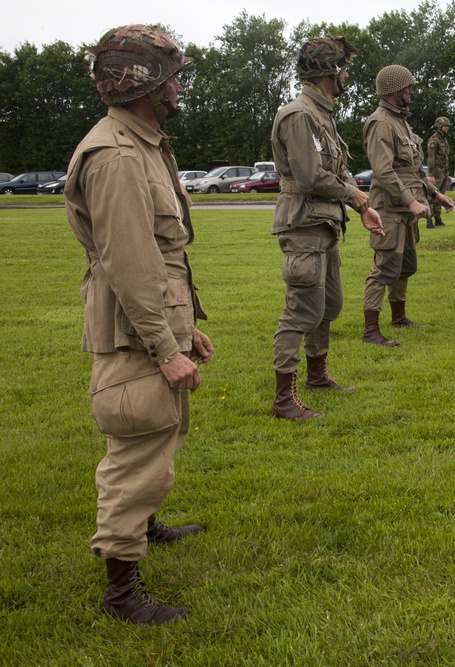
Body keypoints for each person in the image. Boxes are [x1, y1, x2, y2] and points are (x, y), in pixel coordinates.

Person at [65, 25, 213, 626]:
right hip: (134, 332)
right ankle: (121, 592)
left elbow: (161, 257)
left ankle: (146, 526)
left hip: (151, 324)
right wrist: (164, 346)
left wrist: (186, 331)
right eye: (172, 74)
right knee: (134, 448)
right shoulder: (118, 155)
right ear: (144, 83)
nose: (180, 85)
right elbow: (130, 264)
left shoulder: (143, 141)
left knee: (156, 432)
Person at [270, 36, 381, 421]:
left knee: (328, 305)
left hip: (325, 223)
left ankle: (317, 376)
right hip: (303, 223)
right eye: (345, 67)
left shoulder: (323, 114)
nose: (348, 74)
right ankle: (284, 399)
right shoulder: (300, 114)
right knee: (301, 310)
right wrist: (354, 196)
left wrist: (358, 203)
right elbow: (310, 175)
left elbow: (337, 169)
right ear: (331, 71)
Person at [363, 65, 455, 341]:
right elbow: (384, 171)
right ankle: (370, 330)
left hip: (407, 208)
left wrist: (435, 194)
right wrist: (410, 202)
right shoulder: (380, 123)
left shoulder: (401, 122)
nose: (412, 92)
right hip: (390, 209)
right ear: (393, 90)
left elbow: (414, 170)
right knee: (385, 267)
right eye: (408, 88)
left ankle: (399, 318)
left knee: (405, 266)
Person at [426, 116, 451, 228]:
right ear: (439, 127)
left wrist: (447, 174)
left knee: (440, 197)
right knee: (432, 197)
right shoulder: (433, 140)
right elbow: (431, 159)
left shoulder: (444, 140)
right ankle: (429, 220)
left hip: (443, 172)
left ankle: (438, 218)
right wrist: (431, 175)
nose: (447, 128)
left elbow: (445, 158)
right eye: (446, 126)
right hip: (436, 173)